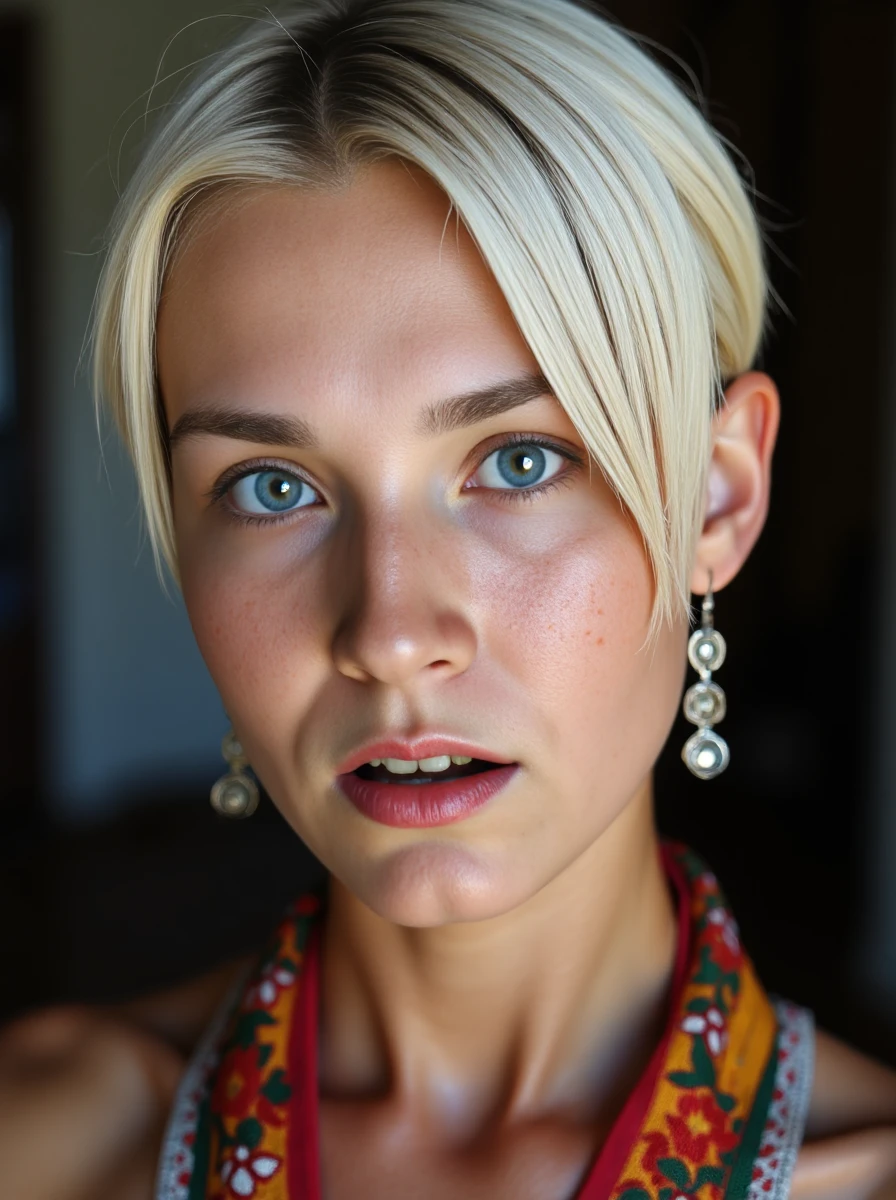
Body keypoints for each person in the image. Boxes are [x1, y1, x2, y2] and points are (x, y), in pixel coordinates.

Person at [2, 0, 896, 1196]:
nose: (387, 634)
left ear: (717, 500)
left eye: (518, 463)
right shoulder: (46, 1142)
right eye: (272, 486)